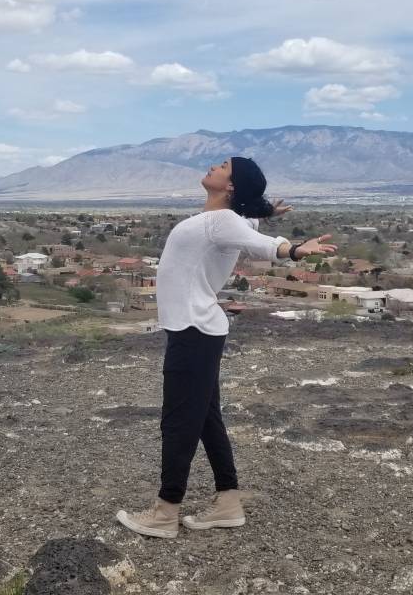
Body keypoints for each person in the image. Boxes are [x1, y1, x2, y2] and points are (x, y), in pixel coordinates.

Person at [116, 156, 337, 539]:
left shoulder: (222, 221)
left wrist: (295, 250)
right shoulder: (224, 221)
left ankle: (166, 512)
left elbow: (263, 244)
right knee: (204, 418)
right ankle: (228, 502)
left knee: (178, 422)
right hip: (196, 329)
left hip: (193, 330)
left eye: (221, 166)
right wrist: (267, 211)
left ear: (230, 185)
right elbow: (249, 226)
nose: (212, 167)